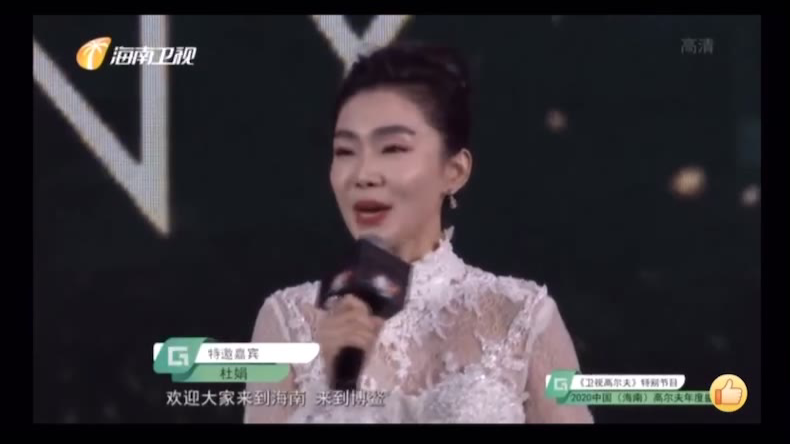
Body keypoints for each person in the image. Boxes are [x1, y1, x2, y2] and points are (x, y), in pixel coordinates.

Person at [243, 42, 593, 424]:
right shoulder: (289, 320)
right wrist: (333, 392)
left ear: (454, 171)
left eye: (393, 148)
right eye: (345, 151)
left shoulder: (522, 317)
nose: (363, 174)